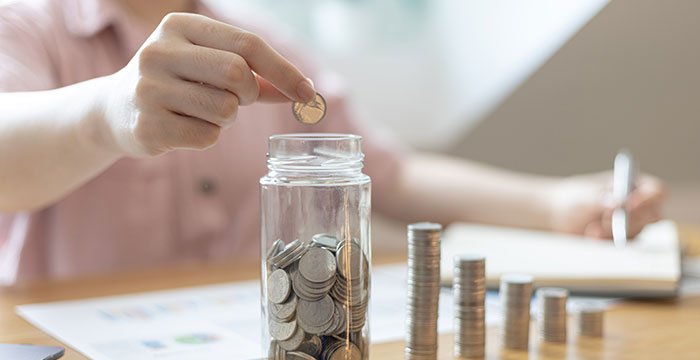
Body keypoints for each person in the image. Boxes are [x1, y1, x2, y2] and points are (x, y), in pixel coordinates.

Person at [0, 0, 665, 285]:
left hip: (255, 351)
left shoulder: (258, 40)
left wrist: (554, 205)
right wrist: (105, 114)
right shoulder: (26, 24)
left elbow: (387, 172)